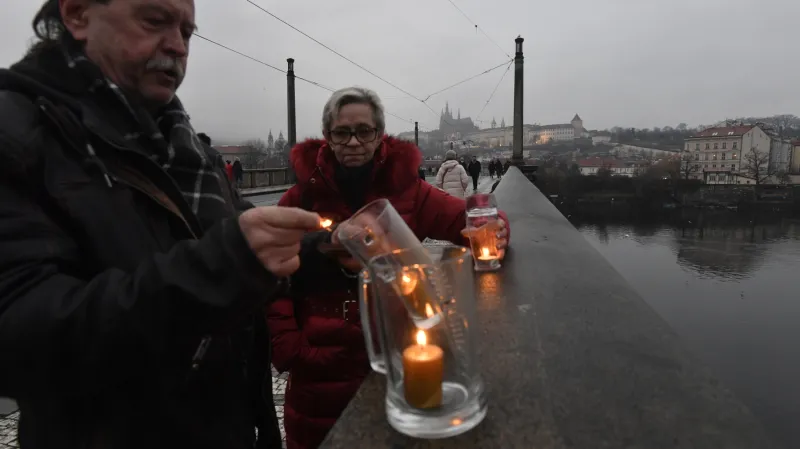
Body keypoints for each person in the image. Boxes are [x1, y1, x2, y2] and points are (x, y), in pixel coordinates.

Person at [0, 1, 327, 448]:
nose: (176, 46)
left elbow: (246, 253)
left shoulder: (182, 143)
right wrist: (223, 266)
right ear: (77, 15)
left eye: (187, 33)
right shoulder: (15, 132)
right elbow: (20, 336)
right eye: (154, 21)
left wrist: (328, 252)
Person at [268, 86, 511, 449]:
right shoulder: (301, 197)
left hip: (400, 357)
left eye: (364, 131)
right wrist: (291, 347)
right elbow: (272, 272)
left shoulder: (408, 191)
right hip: (321, 366)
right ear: (328, 137)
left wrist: (496, 228)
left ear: (379, 135)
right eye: (342, 132)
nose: (353, 142)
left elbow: (470, 219)